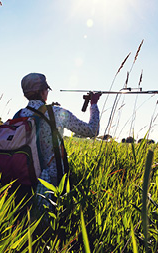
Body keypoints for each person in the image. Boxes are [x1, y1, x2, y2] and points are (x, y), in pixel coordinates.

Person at [16, 72, 101, 209]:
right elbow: (91, 131)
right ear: (43, 92)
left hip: (23, 176)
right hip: (52, 179)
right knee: (50, 223)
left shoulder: (19, 114)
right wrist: (94, 104)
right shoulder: (55, 112)